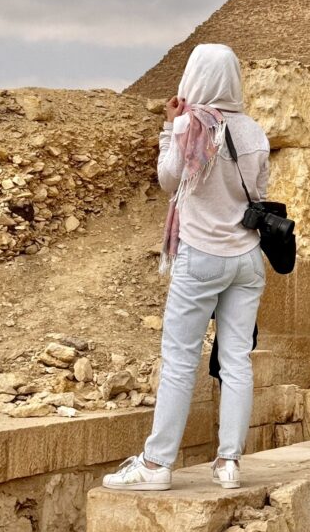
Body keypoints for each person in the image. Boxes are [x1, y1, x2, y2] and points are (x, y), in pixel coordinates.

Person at [102, 42, 270, 491]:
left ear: (195, 76)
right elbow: (259, 189)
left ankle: (157, 466)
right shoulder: (254, 131)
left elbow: (169, 179)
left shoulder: (188, 126)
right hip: (247, 259)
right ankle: (229, 463)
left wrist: (167, 129)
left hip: (200, 255)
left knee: (179, 360)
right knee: (236, 360)